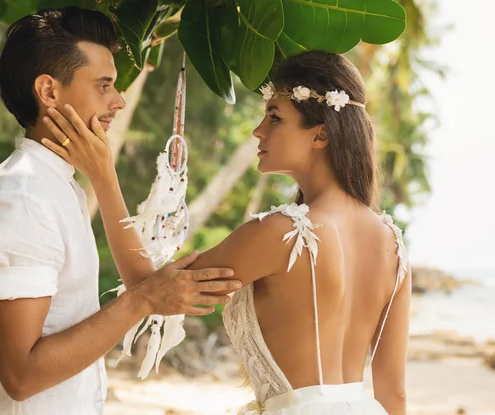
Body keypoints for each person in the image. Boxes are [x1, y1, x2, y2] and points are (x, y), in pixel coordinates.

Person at [45, 50, 411, 415]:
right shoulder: (392, 245)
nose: (258, 130)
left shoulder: (283, 234)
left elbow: (150, 290)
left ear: (320, 136)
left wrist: (104, 176)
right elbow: (394, 396)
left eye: (274, 117)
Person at [0, 7, 241, 415]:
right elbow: (21, 376)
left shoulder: (56, 187)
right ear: (49, 91)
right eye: (104, 85)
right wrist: (140, 301)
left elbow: (144, 281)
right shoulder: (22, 200)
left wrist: (105, 178)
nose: (119, 101)